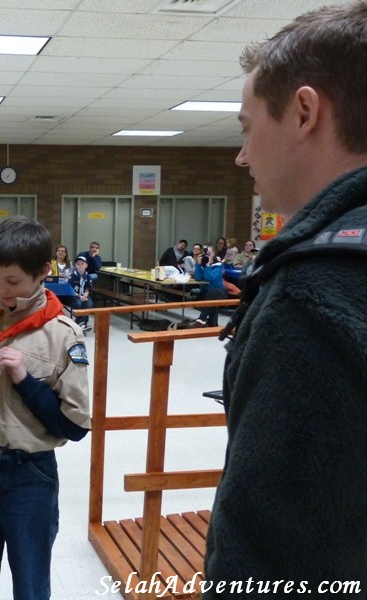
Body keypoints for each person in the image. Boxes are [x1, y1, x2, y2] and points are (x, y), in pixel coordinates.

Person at [204, 4, 367, 597]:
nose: (242, 155)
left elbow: (278, 558)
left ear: (304, 112)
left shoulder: (312, 293)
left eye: (248, 128)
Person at [0, 216, 91, 600]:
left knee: (30, 585)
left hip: (30, 477)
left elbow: (73, 427)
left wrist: (25, 381)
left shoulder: (62, 335)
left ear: (43, 272)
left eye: (13, 282)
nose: (2, 290)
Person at [69, 254, 93, 333]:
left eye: (82, 264)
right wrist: (79, 296)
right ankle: (82, 324)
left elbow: (88, 288)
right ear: (75, 265)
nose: (80, 266)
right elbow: (70, 289)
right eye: (78, 264)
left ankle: (79, 323)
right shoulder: (72, 276)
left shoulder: (88, 276)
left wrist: (85, 295)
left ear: (86, 265)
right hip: (75, 295)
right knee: (78, 304)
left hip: (84, 295)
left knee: (89, 303)